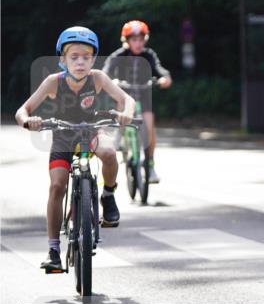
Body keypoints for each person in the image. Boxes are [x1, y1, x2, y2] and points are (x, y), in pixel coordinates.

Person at [15, 27, 135, 272]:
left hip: (91, 130)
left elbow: (127, 99)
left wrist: (126, 114)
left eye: (86, 57)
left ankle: (108, 196)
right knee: (57, 185)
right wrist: (29, 121)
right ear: (62, 59)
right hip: (63, 137)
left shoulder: (98, 78)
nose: (80, 62)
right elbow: (22, 110)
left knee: (110, 154)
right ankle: (53, 250)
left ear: (93, 59)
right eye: (74, 57)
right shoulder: (53, 82)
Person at [102, 20, 172, 183]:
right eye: (134, 40)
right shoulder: (119, 55)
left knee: (149, 127)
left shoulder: (149, 55)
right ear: (127, 41)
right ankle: (118, 136)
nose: (138, 43)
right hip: (124, 96)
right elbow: (106, 71)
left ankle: (150, 165)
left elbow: (159, 68)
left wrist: (164, 77)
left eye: (141, 39)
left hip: (144, 96)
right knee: (121, 104)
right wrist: (110, 81)